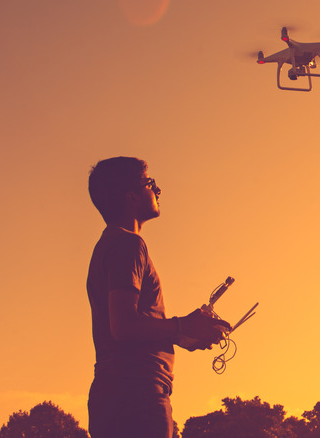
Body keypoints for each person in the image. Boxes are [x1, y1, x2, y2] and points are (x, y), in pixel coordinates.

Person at [86, 156, 230, 438]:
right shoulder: (129, 243)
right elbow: (124, 326)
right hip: (136, 393)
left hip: (118, 393)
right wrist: (182, 325)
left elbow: (126, 325)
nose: (157, 190)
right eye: (149, 183)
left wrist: (180, 335)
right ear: (132, 198)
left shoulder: (108, 245)